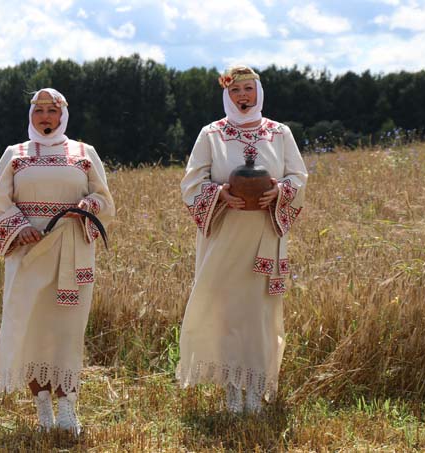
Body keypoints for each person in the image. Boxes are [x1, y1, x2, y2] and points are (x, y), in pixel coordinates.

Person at [176, 66, 308, 414]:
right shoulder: (211, 134)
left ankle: (256, 388)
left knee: (259, 314)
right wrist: (220, 194)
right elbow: (191, 183)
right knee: (227, 312)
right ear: (227, 95)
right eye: (235, 90)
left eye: (248, 89)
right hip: (224, 235)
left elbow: (299, 177)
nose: (243, 96)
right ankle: (232, 388)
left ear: (258, 92)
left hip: (264, 233)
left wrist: (280, 191)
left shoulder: (279, 133)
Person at [0, 88, 114, 433]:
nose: (45, 116)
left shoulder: (84, 153)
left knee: (67, 331)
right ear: (31, 115)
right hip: (28, 253)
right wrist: (20, 227)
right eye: (39, 110)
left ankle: (68, 409)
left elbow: (105, 200)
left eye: (52, 110)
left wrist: (87, 206)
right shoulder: (15, 155)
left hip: (72, 251)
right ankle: (43, 409)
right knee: (33, 329)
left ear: (63, 115)